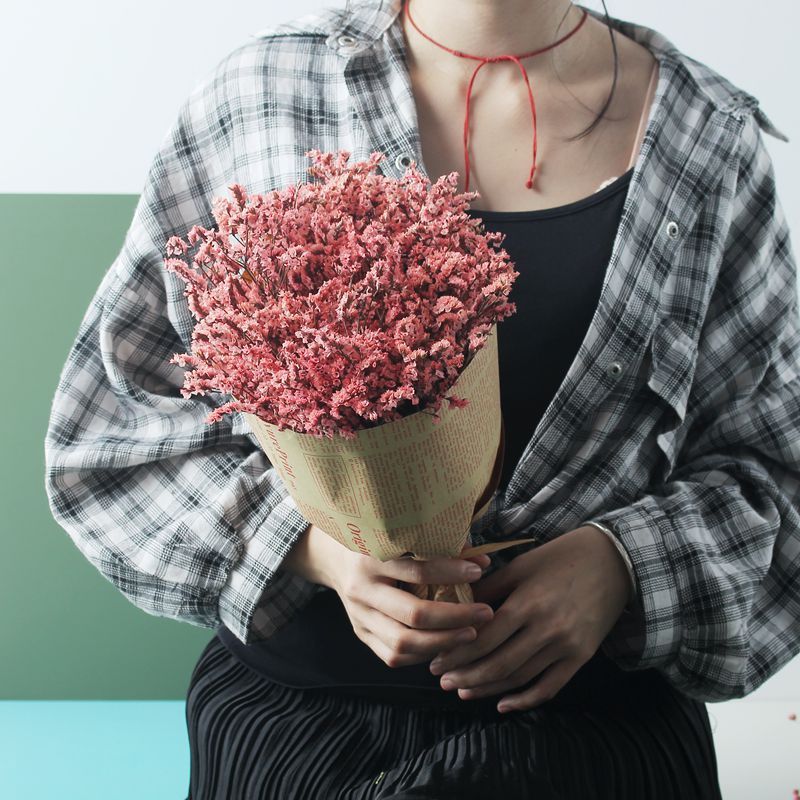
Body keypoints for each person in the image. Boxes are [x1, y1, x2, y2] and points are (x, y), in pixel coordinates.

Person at [43, 0, 800, 797]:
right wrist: (317, 550)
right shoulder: (261, 94)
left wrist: (622, 567)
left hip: (597, 742)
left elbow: (775, 471)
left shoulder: (707, 139)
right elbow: (113, 431)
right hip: (301, 737)